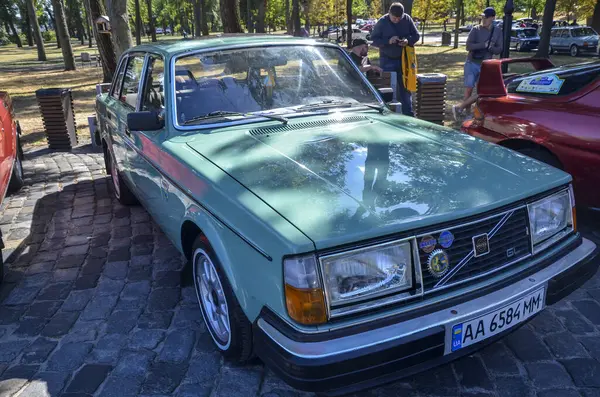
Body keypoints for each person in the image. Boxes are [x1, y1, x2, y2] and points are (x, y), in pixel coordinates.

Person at [452, 7, 503, 121]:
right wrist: (482, 45)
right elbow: (468, 46)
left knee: (481, 91)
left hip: (486, 64)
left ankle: (467, 110)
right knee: (469, 89)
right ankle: (466, 113)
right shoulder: (475, 29)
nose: (483, 20)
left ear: (493, 18)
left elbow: (499, 49)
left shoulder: (497, 31)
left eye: (486, 18)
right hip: (472, 62)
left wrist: (491, 48)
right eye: (482, 17)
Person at [371, 2, 420, 116]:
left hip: (405, 60)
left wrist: (407, 40)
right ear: (389, 13)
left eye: (399, 18)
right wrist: (388, 41)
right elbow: (373, 40)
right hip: (387, 59)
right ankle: (388, 114)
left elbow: (416, 35)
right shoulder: (382, 22)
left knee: (406, 88)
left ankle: (408, 114)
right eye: (394, 18)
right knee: (388, 89)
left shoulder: (407, 19)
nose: (397, 20)